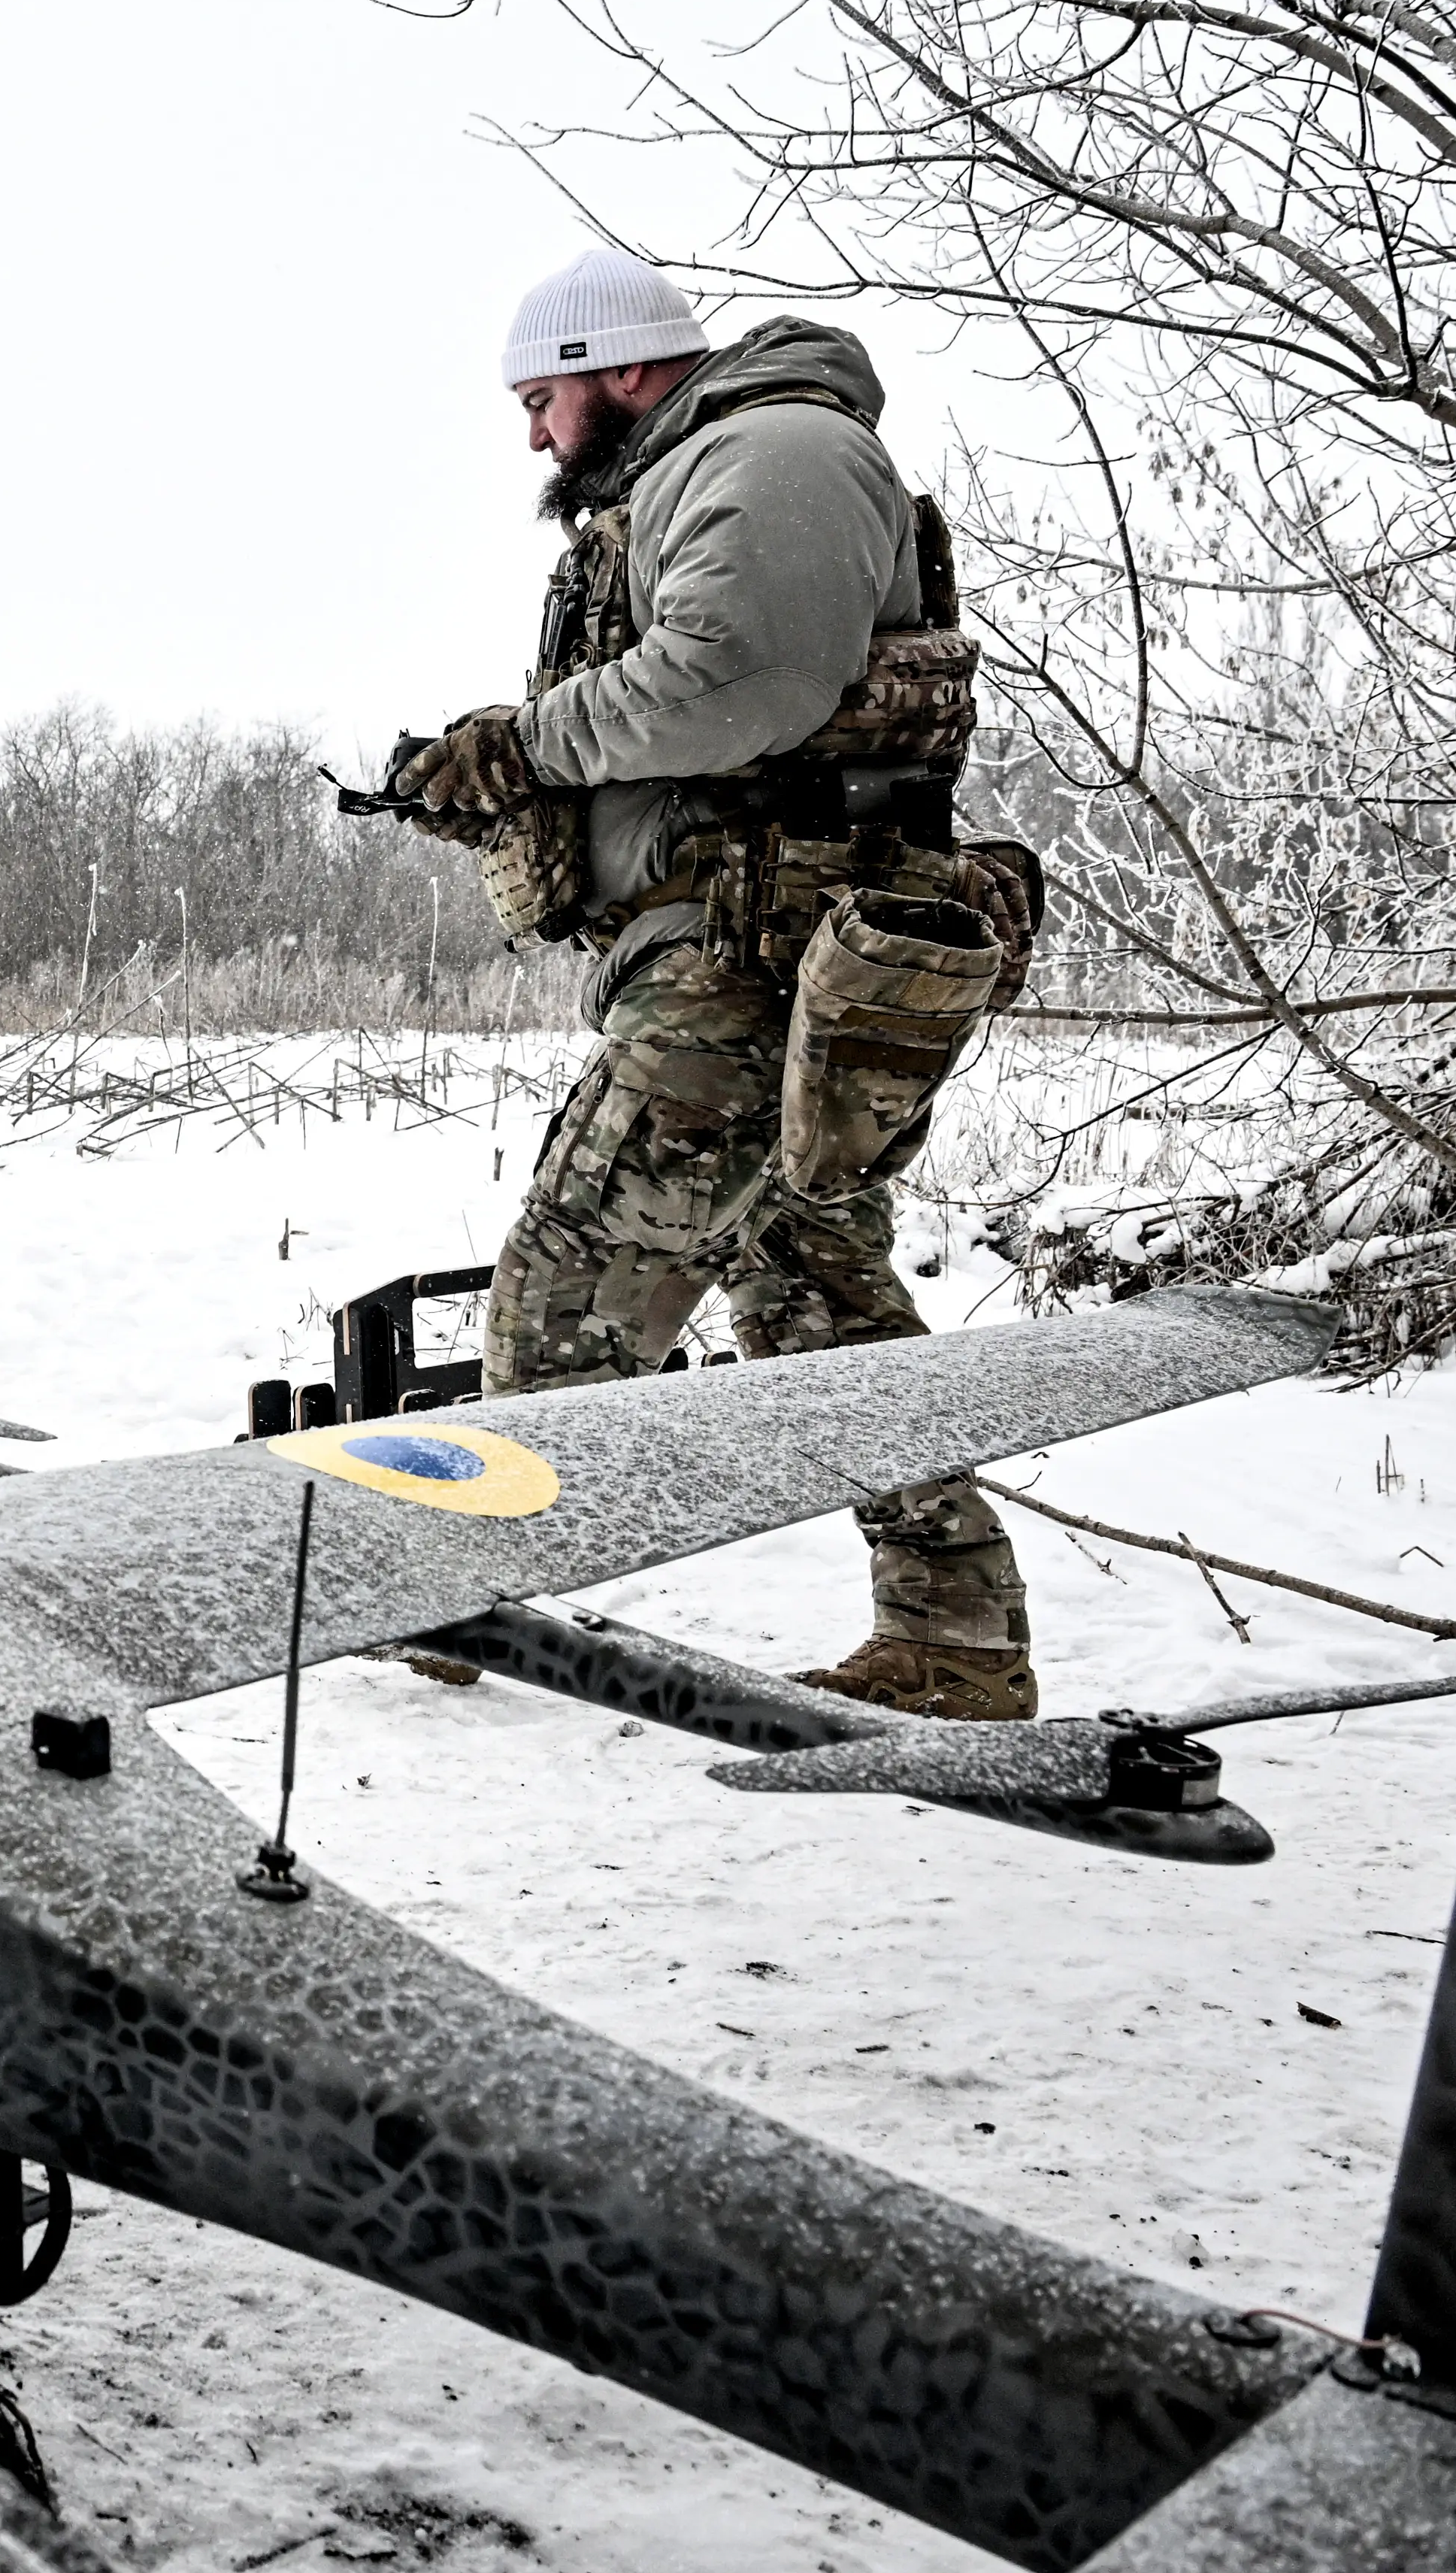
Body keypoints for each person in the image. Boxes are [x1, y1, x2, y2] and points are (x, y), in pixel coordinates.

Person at [386, 248, 1040, 1720]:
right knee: (814, 1294)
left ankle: (447, 1592)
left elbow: (733, 680)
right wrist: (505, 789)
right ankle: (954, 1635)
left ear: (618, 367)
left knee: (568, 1279)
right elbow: (712, 726)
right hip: (743, 954)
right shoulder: (705, 469)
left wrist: (528, 742)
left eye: (538, 396)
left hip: (743, 967)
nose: (530, 434)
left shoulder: (779, 447)